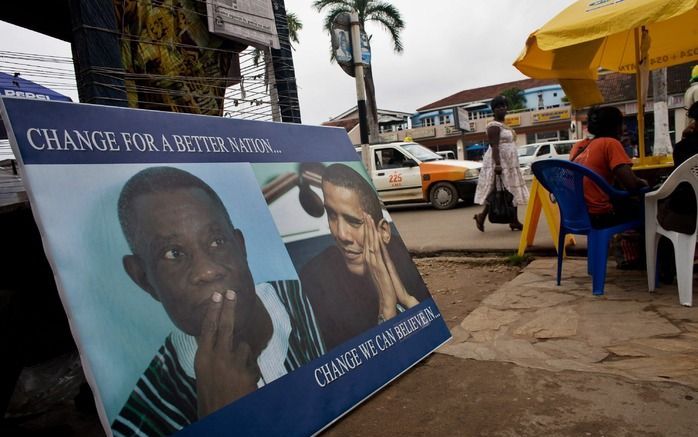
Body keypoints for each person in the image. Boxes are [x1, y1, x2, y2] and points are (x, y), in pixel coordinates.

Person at [111, 167, 324, 436]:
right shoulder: (140, 422)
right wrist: (218, 423)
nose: (207, 271)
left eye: (217, 241)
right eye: (173, 253)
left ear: (241, 246)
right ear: (144, 279)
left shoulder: (318, 297)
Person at [299, 163, 430, 351]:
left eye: (353, 221)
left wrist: (400, 299)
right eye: (332, 215)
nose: (341, 234)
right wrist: (387, 304)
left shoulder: (401, 256)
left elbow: (424, 339)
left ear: (383, 231)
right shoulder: (314, 276)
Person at [568, 106, 648, 229]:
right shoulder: (610, 143)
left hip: (574, 215)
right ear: (616, 126)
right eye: (622, 124)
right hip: (600, 216)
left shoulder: (578, 146)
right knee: (649, 208)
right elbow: (631, 184)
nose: (624, 128)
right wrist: (644, 183)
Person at [473, 95, 529, 232]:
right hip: (499, 162)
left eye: (504, 106)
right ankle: (511, 220)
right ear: (493, 110)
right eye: (498, 107)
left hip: (510, 163)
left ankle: (487, 217)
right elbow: (494, 146)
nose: (502, 109)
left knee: (508, 191)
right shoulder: (493, 126)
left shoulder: (504, 126)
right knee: (503, 191)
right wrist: (498, 164)